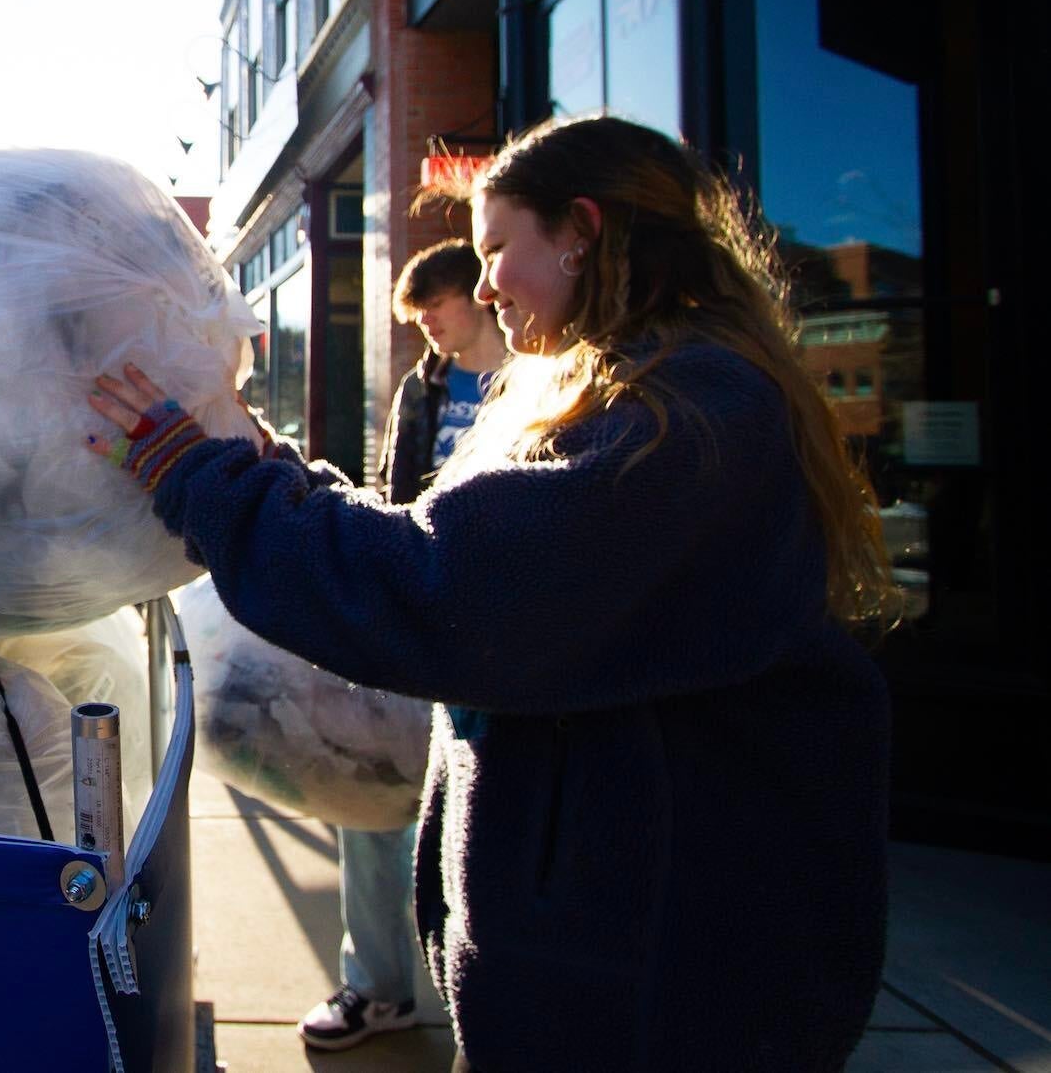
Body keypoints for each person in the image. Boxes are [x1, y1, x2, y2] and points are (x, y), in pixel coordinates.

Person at [89, 116, 892, 1072]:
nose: (482, 288)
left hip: (656, 990)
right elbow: (458, 548)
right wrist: (273, 477)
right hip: (622, 967)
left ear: (581, 232)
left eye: (498, 250)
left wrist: (206, 479)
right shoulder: (655, 394)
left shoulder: (688, 419)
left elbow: (453, 591)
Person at [298, 238, 509, 1052]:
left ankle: (487, 1005)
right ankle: (378, 988)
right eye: (416, 319)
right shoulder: (421, 389)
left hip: (508, 638)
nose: (428, 330)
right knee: (368, 796)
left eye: (436, 311)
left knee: (487, 818)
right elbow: (395, 496)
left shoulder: (543, 379)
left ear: (475, 296)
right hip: (424, 618)